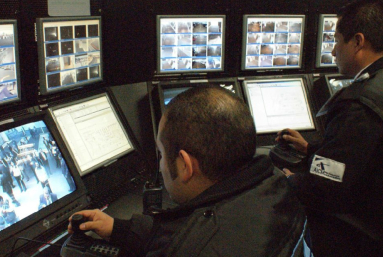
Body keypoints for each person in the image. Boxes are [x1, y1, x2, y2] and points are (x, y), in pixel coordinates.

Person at [69, 86, 305, 256]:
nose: (160, 166)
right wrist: (119, 229)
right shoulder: (275, 183)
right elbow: (186, 229)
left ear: (184, 165)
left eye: (161, 154)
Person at [277, 0, 383, 257]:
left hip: (359, 235)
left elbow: (325, 189)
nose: (334, 52)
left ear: (358, 42)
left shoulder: (359, 105)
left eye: (336, 41)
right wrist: (311, 148)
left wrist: (289, 180)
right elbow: (361, 158)